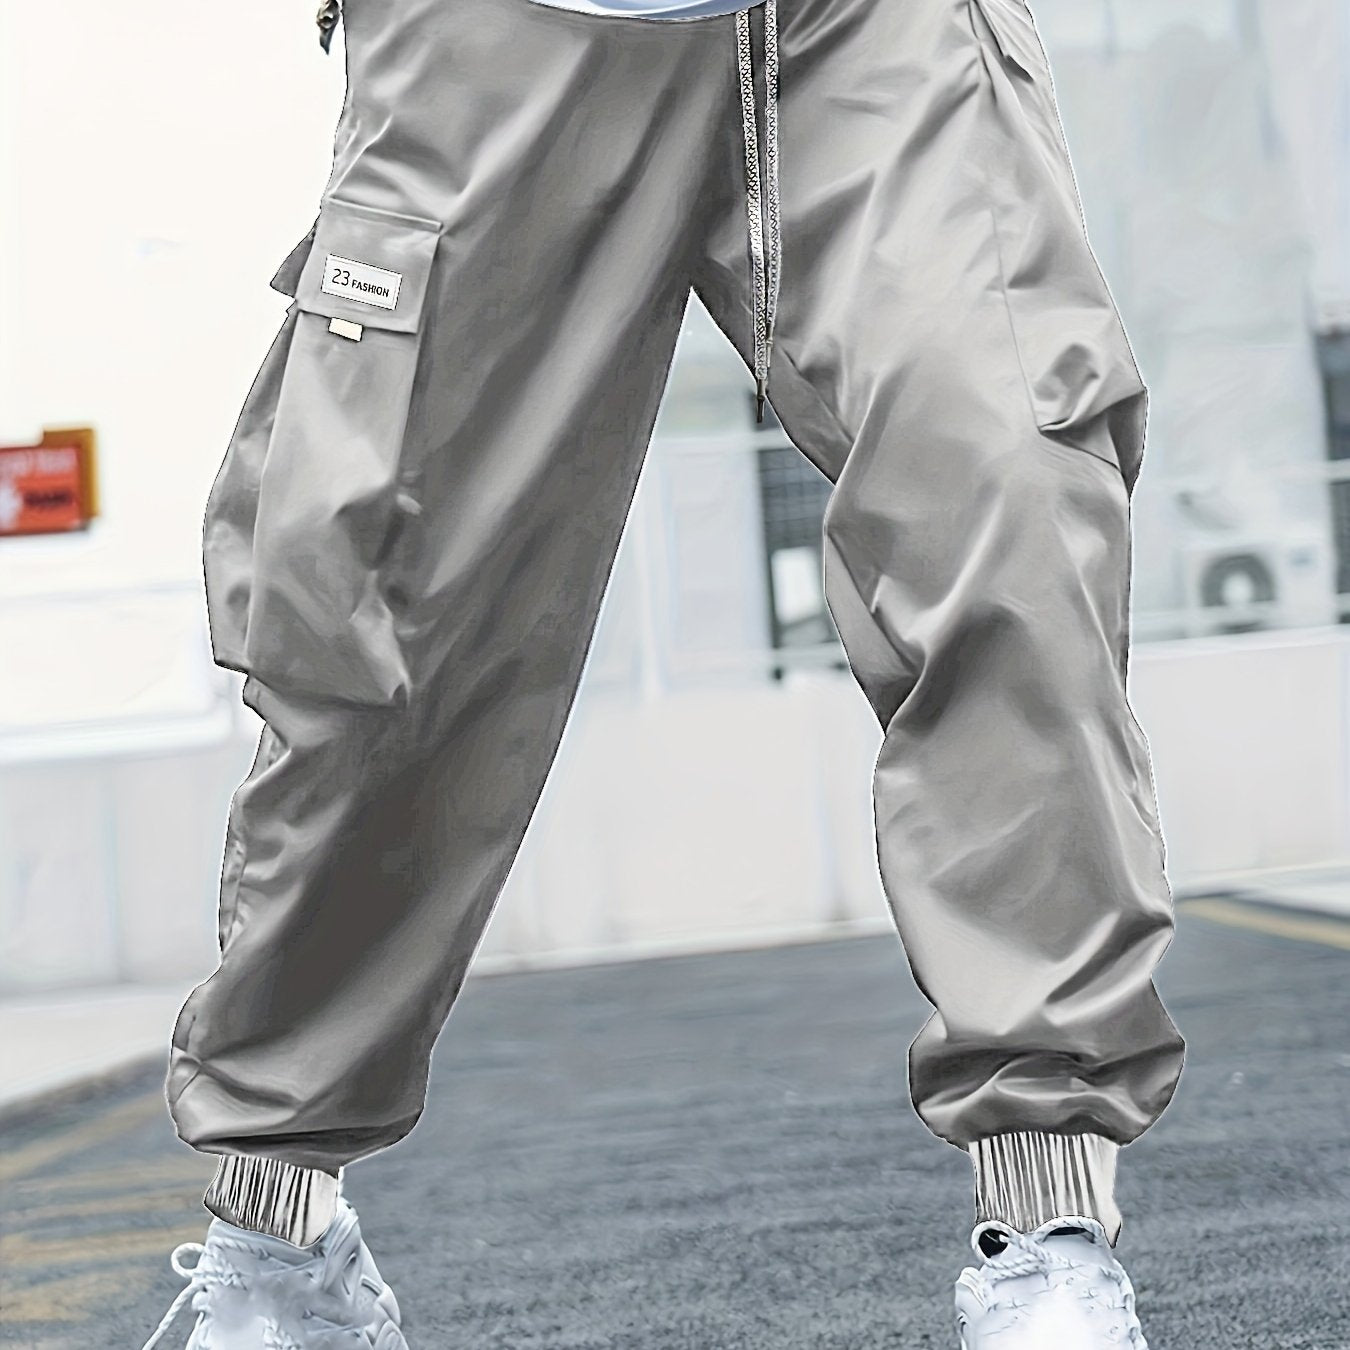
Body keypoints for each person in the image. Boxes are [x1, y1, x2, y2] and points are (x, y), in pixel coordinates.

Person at [139, 0, 1185, 1344]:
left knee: (1009, 503)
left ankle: (1050, 1228)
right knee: (381, 616)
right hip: (497, 37)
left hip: (865, 29)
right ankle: (275, 1241)